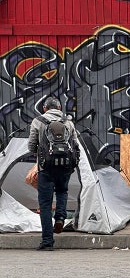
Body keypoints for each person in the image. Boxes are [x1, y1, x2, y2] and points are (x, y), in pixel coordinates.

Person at [28, 96, 79, 251]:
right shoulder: (68, 122)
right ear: (59, 108)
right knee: (62, 192)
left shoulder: (38, 121)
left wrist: (39, 154)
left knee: (45, 204)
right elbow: (75, 145)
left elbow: (31, 146)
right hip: (65, 167)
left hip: (46, 167)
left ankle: (47, 241)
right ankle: (60, 217)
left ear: (45, 108)